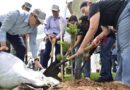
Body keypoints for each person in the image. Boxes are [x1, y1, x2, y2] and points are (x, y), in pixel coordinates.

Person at [75, 0, 130, 85]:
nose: (84, 14)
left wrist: (82, 47)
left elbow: (92, 29)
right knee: (120, 51)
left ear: (89, 5)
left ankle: (127, 82)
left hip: (125, 12)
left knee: (126, 50)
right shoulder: (100, 16)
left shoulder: (93, 7)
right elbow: (106, 31)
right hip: (120, 19)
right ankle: (120, 81)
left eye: (84, 11)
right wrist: (96, 39)